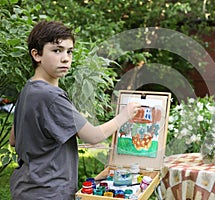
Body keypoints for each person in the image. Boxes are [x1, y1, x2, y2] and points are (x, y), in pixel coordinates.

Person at [9, 20, 140, 200]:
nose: (65, 58)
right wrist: (125, 115)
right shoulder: (51, 96)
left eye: (69, 51)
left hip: (24, 188)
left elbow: (14, 139)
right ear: (36, 55)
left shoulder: (28, 89)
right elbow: (93, 136)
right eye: (57, 50)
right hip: (49, 191)